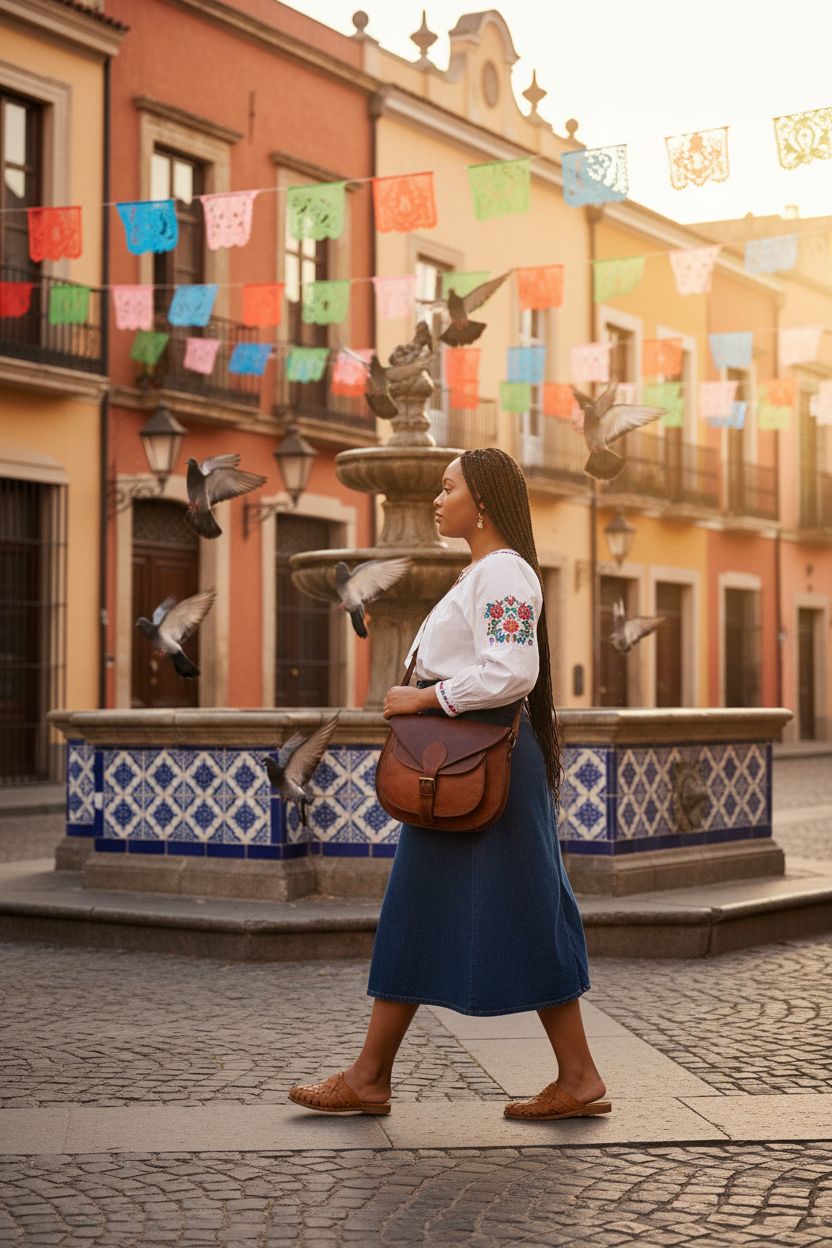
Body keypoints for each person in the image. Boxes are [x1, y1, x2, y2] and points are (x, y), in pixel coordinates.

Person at [288, 448, 610, 1122]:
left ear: (483, 501)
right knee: (427, 906)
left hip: (485, 766)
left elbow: (512, 671)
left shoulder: (506, 575)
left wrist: (426, 701)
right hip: (469, 766)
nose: (437, 499)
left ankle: (572, 1078)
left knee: (526, 907)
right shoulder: (482, 573)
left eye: (448, 487)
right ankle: (372, 1074)